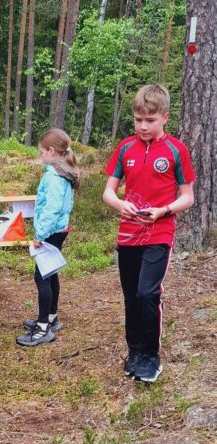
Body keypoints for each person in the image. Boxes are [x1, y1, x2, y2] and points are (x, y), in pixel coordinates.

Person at [103, 84, 195, 383]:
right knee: (131, 295)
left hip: (159, 232)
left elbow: (188, 197)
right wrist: (120, 204)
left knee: (147, 293)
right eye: (138, 119)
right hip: (128, 233)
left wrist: (164, 210)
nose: (143, 126)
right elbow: (108, 192)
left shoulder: (176, 150)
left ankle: (152, 355)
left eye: (150, 120)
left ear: (165, 117)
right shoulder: (125, 148)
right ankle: (135, 352)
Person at [17, 128, 80, 347]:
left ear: (52, 151)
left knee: (41, 276)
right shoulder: (63, 172)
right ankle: (51, 318)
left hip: (51, 231)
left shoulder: (54, 176)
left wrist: (40, 235)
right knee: (50, 273)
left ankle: (43, 328)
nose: (40, 155)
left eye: (42, 152)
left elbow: (52, 209)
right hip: (59, 229)